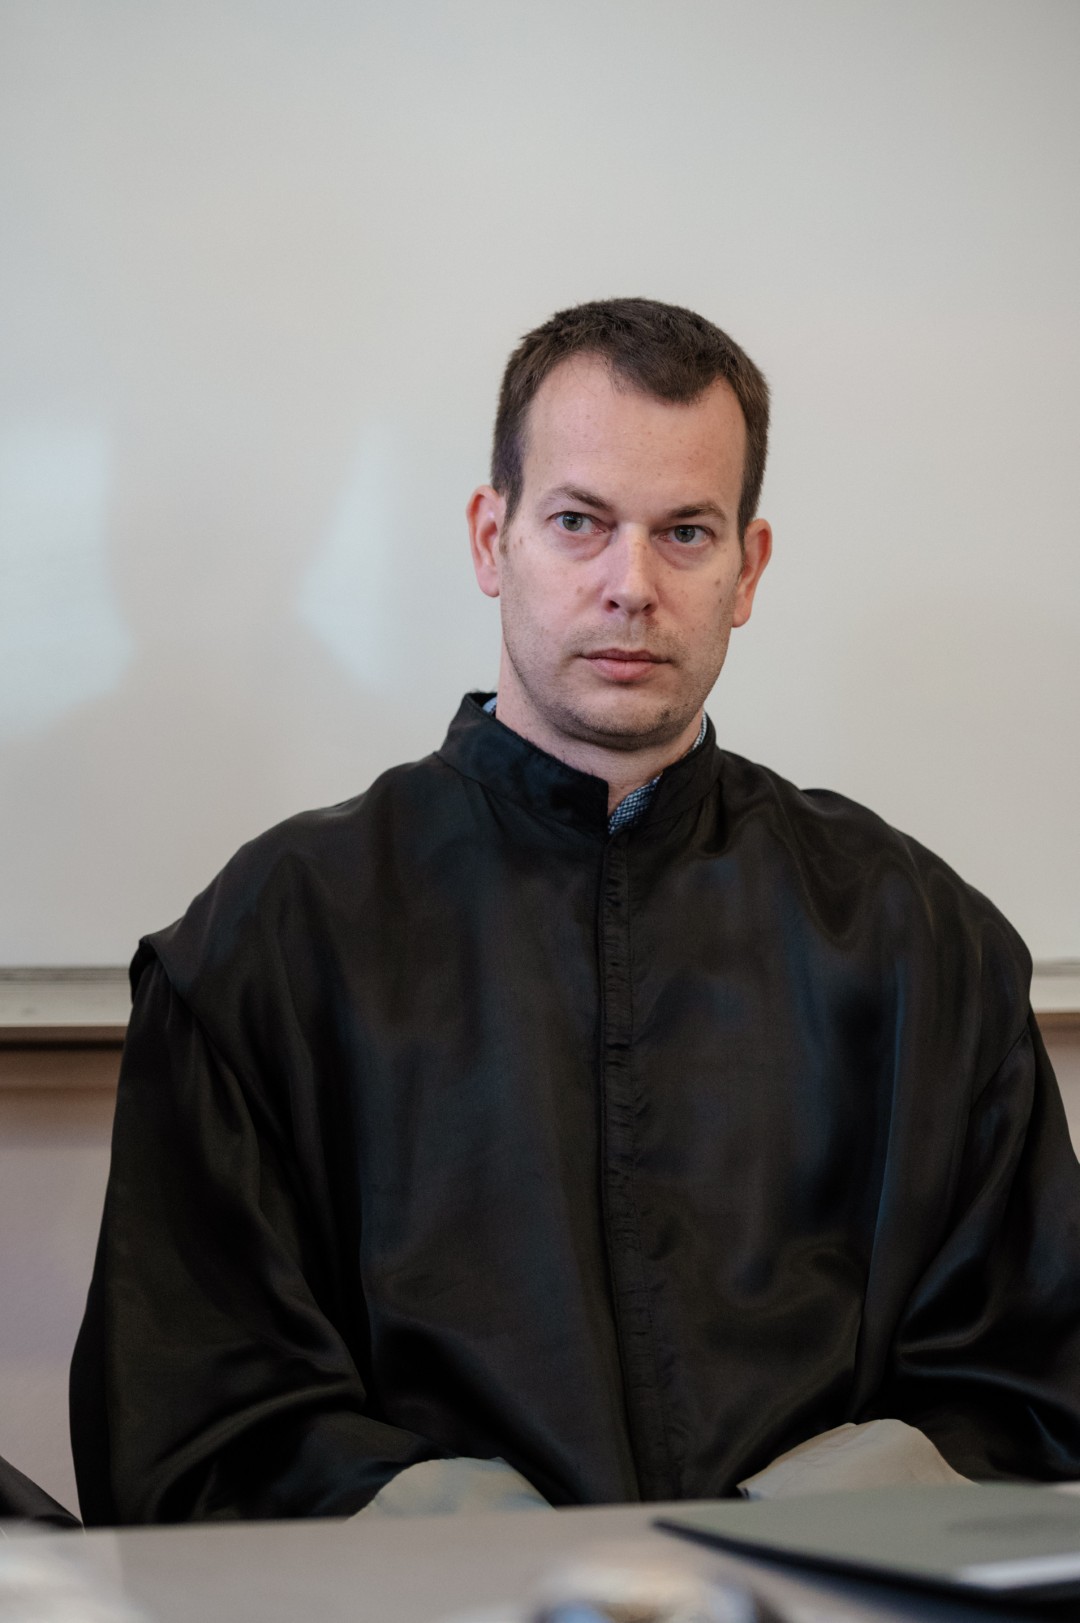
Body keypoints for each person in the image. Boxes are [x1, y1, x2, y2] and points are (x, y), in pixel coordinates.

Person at [70, 298, 1080, 1525]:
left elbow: (1037, 1393)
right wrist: (475, 1541)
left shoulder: (921, 940)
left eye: (686, 533)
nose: (630, 587)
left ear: (749, 568)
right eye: (578, 523)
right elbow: (192, 1424)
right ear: (491, 540)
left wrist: (798, 1530)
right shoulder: (269, 940)